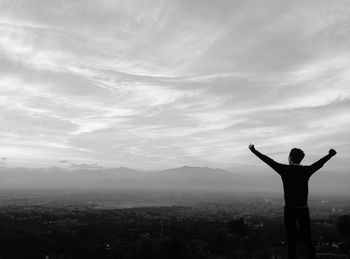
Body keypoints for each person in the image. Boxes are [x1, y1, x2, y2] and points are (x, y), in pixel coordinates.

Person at [248, 144, 337, 259]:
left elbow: (268, 160)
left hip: (290, 209)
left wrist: (254, 151)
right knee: (307, 238)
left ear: (290, 157)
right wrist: (330, 155)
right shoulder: (306, 170)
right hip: (303, 209)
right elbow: (320, 163)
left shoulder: (284, 169)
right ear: (301, 159)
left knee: (291, 240)